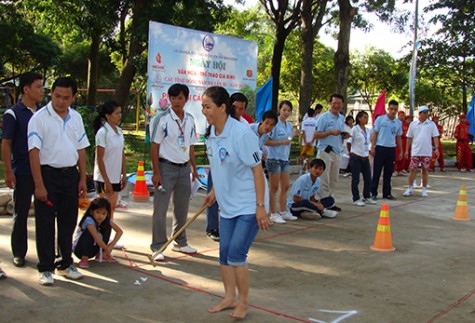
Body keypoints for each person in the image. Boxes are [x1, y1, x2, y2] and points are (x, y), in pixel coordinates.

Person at [201, 86, 269, 320]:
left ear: (222, 107)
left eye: (207, 106)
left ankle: (244, 302)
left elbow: (257, 171)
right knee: (224, 253)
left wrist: (260, 206)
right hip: (227, 204)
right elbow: (219, 167)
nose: (204, 111)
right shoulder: (210, 133)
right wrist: (214, 191)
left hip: (250, 203)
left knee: (236, 253)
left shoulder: (242, 134)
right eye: (202, 106)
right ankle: (229, 296)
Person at [28, 77, 90, 285]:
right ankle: (46, 267)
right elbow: (34, 152)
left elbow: (81, 148)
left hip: (70, 176)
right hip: (47, 176)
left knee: (68, 221)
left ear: (73, 97)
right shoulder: (39, 118)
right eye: (57, 96)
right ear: (51, 93)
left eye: (66, 98)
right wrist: (39, 184)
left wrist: (82, 178)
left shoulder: (76, 118)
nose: (60, 101)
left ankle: (65, 263)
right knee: (45, 223)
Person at [150, 83, 199, 261]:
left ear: (186, 99)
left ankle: (180, 242)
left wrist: (194, 168)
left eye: (180, 98)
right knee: (161, 208)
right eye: (173, 98)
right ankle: (158, 246)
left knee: (182, 207)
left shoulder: (191, 119)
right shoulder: (161, 119)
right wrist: (156, 172)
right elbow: (154, 146)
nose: (176, 101)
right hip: (165, 168)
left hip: (184, 168)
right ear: (169, 99)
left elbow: (191, 145)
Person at [2, 71, 44, 268]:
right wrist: (9, 172)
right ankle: (19, 252)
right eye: (38, 86)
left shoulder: (45, 112)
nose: (42, 90)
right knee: (21, 212)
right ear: (26, 89)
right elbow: (6, 143)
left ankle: (47, 253)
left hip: (45, 171)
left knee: (46, 213)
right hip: (24, 171)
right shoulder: (13, 114)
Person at [92, 101, 127, 220]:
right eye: (116, 113)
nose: (119, 116)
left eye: (120, 113)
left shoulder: (119, 132)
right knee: (102, 211)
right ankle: (98, 237)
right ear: (108, 116)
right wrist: (106, 181)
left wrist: (124, 174)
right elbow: (100, 158)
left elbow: (121, 153)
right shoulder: (102, 133)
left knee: (111, 209)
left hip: (115, 177)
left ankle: (107, 236)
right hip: (103, 178)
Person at [314, 94, 348, 212]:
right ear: (330, 103)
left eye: (339, 103)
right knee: (324, 178)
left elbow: (339, 133)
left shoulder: (341, 118)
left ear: (342, 105)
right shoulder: (323, 118)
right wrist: (329, 132)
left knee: (334, 179)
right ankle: (323, 202)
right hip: (325, 151)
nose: (336, 105)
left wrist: (344, 135)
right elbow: (316, 134)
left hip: (337, 151)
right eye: (334, 103)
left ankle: (330, 201)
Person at [265, 100, 298, 224]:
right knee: (274, 187)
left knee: (285, 186)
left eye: (289, 110)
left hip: (285, 159)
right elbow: (266, 141)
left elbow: (288, 140)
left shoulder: (289, 125)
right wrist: (281, 142)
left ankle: (283, 211)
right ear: (280, 109)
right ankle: (273, 213)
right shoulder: (274, 124)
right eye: (284, 110)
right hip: (274, 159)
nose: (286, 112)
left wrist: (292, 136)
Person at [73, 197, 123, 268]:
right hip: (79, 250)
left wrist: (111, 245)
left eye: (104, 213)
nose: (100, 216)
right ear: (91, 211)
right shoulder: (89, 220)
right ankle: (84, 258)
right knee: (89, 232)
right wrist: (107, 249)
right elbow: (97, 239)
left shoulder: (106, 220)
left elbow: (119, 231)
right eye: (97, 212)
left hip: (93, 249)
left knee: (107, 226)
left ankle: (101, 254)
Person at [403, 106, 440, 197]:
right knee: (412, 169)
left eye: (427, 112)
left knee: (425, 170)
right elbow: (409, 138)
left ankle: (424, 188)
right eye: (424, 112)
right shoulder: (413, 124)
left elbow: (435, 137)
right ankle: (410, 187)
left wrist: (437, 148)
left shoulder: (431, 124)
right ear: (420, 114)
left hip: (426, 151)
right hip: (415, 151)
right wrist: (407, 150)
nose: (426, 114)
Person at [369, 100, 403, 200]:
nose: (393, 111)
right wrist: (372, 147)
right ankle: (373, 192)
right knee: (377, 171)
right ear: (388, 109)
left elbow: (399, 137)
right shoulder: (380, 119)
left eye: (395, 110)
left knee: (388, 172)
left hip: (391, 149)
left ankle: (387, 193)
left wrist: (400, 151)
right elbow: (375, 133)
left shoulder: (398, 123)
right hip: (380, 148)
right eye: (391, 109)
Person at [348, 111, 376, 206]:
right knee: (356, 179)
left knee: (368, 177)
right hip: (356, 156)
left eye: (367, 117)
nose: (366, 119)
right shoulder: (354, 129)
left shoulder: (367, 130)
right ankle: (356, 198)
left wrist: (368, 150)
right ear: (359, 118)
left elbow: (368, 142)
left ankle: (367, 196)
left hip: (365, 156)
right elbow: (349, 142)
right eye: (364, 117)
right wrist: (350, 153)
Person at [299, 108, 317, 174]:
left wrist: (305, 140)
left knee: (303, 155)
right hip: (312, 142)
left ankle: (302, 169)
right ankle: (308, 169)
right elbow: (316, 132)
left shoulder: (304, 122)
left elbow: (303, 132)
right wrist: (312, 140)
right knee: (310, 156)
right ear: (313, 114)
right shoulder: (316, 122)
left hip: (304, 142)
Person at [394, 110, 409, 176]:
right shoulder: (396, 123)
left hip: (404, 141)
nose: (402, 117)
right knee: (396, 156)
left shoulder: (405, 124)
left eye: (403, 115)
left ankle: (400, 169)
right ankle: (394, 170)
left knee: (402, 156)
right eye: (401, 115)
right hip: (397, 141)